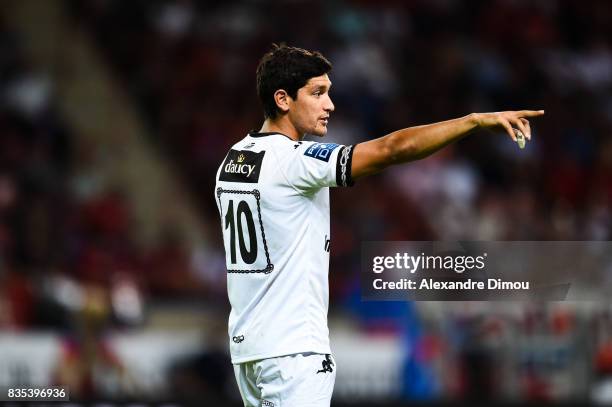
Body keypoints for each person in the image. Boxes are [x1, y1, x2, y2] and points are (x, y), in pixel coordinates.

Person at [214, 43, 544, 406]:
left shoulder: (233, 160)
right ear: (282, 99)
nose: (329, 105)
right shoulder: (294, 162)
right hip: (293, 352)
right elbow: (391, 149)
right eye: (317, 93)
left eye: (329, 93)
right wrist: (472, 121)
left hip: (249, 350)